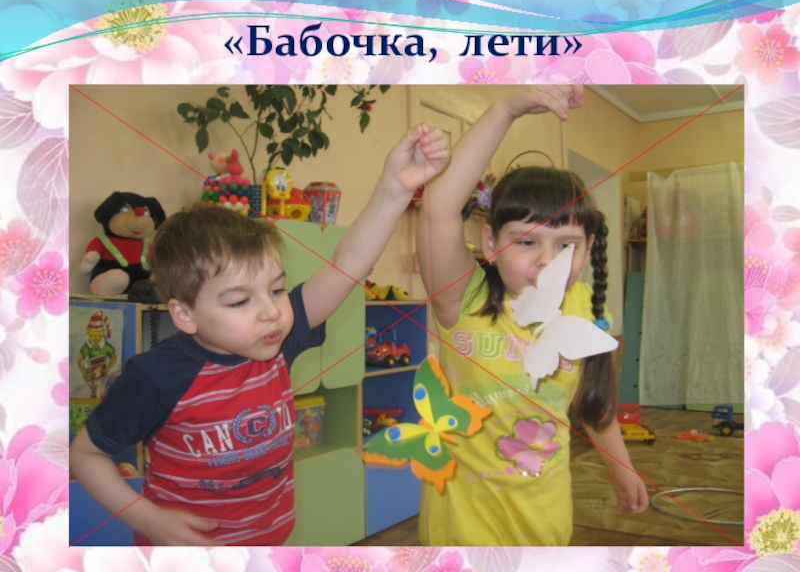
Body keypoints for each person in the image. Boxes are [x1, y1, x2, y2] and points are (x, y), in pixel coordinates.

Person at [69, 122, 450, 547]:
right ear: (185, 314)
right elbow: (85, 455)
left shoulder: (279, 339)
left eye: (276, 289)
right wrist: (150, 520)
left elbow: (349, 264)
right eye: (239, 301)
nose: (270, 311)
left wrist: (394, 190)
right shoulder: (155, 376)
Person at [416, 85, 648, 546]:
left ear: (587, 249)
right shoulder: (461, 297)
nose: (546, 260)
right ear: (490, 243)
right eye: (526, 241)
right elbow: (439, 206)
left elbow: (592, 401)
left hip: (546, 518)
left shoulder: (583, 305)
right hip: (464, 530)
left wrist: (620, 466)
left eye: (566, 245)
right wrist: (506, 109)